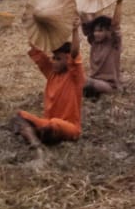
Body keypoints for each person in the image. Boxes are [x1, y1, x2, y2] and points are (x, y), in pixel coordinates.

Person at [11, 18, 84, 153]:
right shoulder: (51, 73)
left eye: (58, 59)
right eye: (53, 58)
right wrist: (33, 24)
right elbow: (35, 47)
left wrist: (75, 31)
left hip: (69, 128)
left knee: (54, 124)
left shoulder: (75, 77)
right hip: (47, 123)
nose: (53, 61)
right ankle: (35, 143)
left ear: (68, 61)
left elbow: (75, 54)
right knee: (20, 115)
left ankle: (33, 136)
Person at [81, 0, 124, 98]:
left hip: (109, 85)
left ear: (109, 31)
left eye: (100, 31)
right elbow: (86, 23)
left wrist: (119, 3)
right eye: (95, 31)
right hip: (95, 80)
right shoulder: (94, 42)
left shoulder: (113, 43)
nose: (96, 34)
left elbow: (116, 25)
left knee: (85, 81)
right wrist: (80, 1)